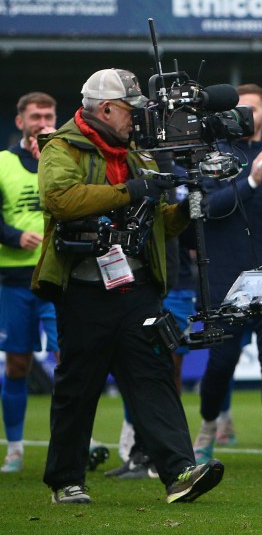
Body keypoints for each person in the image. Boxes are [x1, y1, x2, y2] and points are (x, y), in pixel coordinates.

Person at [35, 68, 223, 503]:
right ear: (105, 109)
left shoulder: (139, 151)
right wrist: (129, 189)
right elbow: (59, 198)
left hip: (137, 285)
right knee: (78, 386)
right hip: (83, 288)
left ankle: (180, 472)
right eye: (129, 111)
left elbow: (157, 223)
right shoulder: (63, 147)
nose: (137, 120)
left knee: (155, 376)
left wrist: (187, 211)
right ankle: (66, 480)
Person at [192, 83, 262, 466]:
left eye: (251, 110)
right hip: (224, 279)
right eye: (236, 110)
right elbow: (207, 208)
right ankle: (208, 427)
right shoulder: (211, 153)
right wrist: (253, 180)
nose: (242, 117)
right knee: (221, 363)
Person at [0, 92, 58, 473]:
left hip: (58, 278)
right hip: (15, 280)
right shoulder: (2, 164)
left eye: (48, 115)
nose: (42, 122)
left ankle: (70, 443)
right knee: (17, 364)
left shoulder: (68, 159)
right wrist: (13, 236)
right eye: (35, 116)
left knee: (70, 363)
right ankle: (16, 447)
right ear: (20, 121)